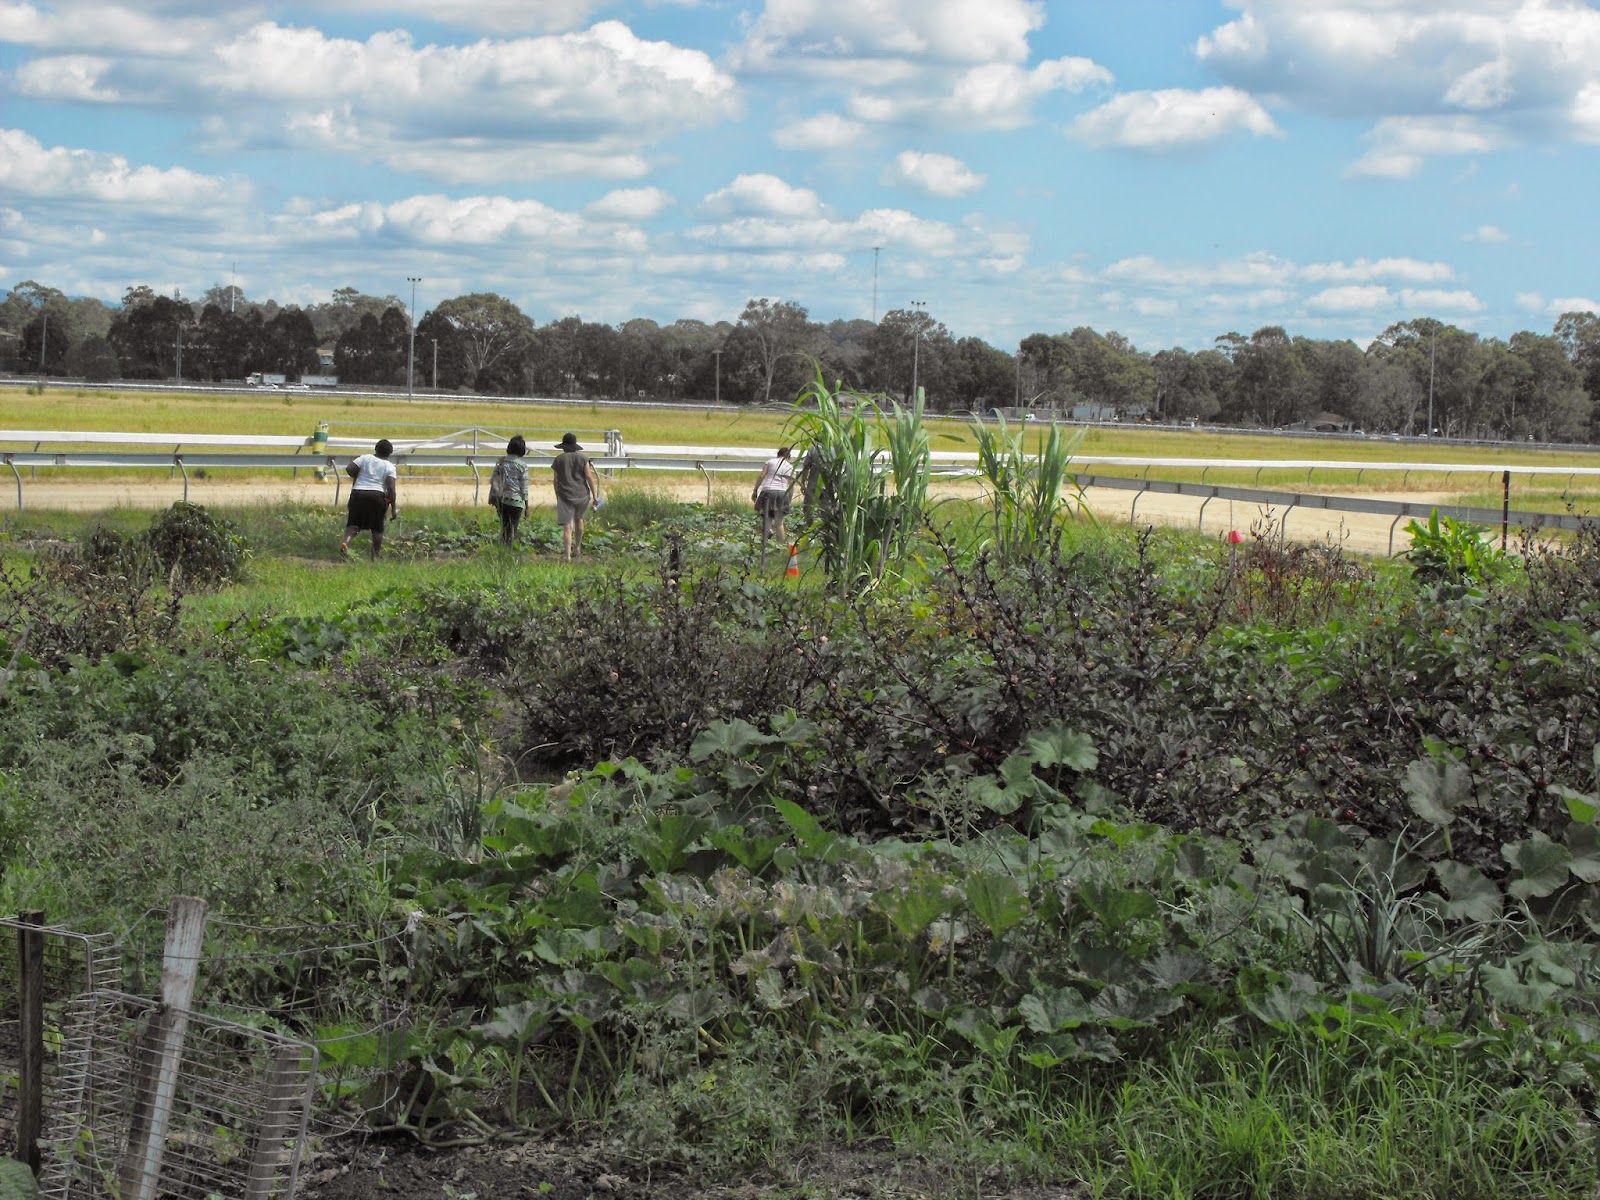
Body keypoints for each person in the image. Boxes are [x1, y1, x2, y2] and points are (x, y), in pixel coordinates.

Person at [340, 438, 398, 559]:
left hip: (358, 493)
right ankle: (375, 556)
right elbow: (391, 490)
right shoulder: (389, 466)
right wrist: (393, 510)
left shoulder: (365, 458)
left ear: (376, 449)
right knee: (377, 529)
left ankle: (345, 543)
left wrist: (357, 476)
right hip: (377, 496)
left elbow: (350, 469)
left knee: (352, 526)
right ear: (389, 453)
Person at [550, 432, 599, 562]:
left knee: (567, 525)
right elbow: (589, 477)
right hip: (582, 494)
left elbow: (555, 481)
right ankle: (577, 548)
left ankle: (567, 555)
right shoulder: (583, 458)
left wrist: (557, 496)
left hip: (565, 495)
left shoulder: (558, 460)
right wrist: (594, 495)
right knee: (579, 519)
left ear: (563, 446)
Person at [752, 446, 796, 545]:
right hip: (782, 492)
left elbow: (762, 476)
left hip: (768, 490)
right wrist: (789, 498)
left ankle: (765, 544)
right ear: (788, 456)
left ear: (778, 454)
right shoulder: (790, 467)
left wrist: (755, 490)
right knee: (779, 522)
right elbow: (791, 484)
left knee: (766, 517)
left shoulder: (770, 462)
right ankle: (780, 545)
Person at [493, 435, 531, 547]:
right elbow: (524, 487)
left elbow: (494, 480)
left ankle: (503, 548)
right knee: (513, 528)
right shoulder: (523, 466)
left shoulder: (501, 461)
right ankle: (508, 550)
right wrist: (527, 505)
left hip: (502, 499)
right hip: (517, 501)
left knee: (505, 527)